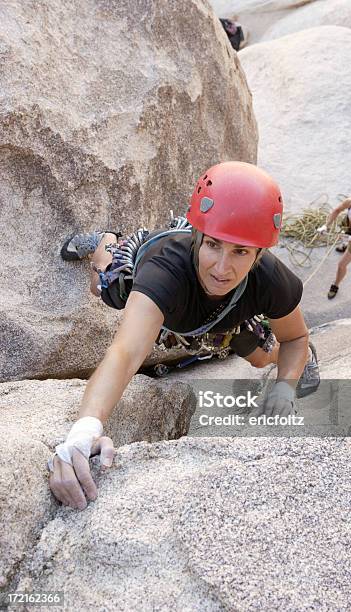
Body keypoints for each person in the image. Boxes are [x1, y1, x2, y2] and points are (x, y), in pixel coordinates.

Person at [50, 161, 319, 510]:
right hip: (158, 288)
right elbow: (126, 353)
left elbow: (295, 339)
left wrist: (285, 386)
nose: (222, 268)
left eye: (240, 252)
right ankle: (106, 241)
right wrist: (84, 430)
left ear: (259, 255)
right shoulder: (165, 270)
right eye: (213, 245)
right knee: (104, 287)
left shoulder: (270, 279)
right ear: (196, 236)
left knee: (262, 356)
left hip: (225, 320)